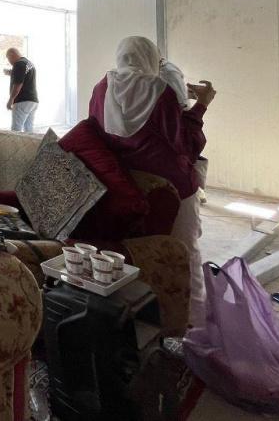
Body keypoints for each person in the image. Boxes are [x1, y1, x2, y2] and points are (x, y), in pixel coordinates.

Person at [88, 35, 215, 326]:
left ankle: (144, 320)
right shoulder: (160, 90)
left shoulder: (101, 88)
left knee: (141, 254)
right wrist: (201, 105)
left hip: (125, 188)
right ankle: (192, 325)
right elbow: (186, 146)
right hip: (173, 190)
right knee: (185, 254)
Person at [5, 48, 38, 132]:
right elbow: (23, 76)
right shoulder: (28, 63)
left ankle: (15, 142)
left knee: (16, 129)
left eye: (8, 58)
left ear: (12, 55)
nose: (9, 62)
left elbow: (18, 84)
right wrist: (11, 73)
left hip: (22, 101)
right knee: (29, 129)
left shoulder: (19, 64)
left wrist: (11, 99)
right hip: (32, 101)